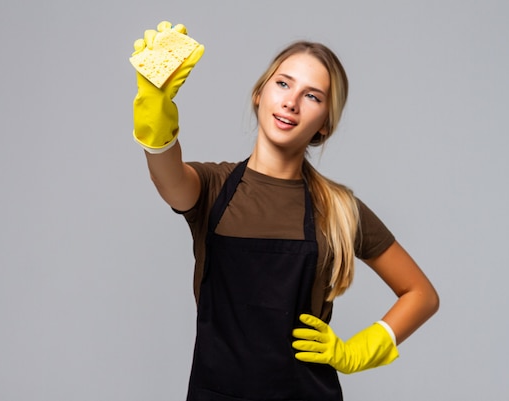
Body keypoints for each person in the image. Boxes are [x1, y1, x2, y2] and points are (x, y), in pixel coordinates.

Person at [131, 21, 439, 401]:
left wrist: (358, 350)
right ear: (259, 94)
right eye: (283, 83)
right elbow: (167, 176)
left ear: (324, 124)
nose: (291, 102)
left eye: (312, 96)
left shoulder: (339, 209)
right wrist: (154, 109)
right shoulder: (214, 188)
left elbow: (421, 294)